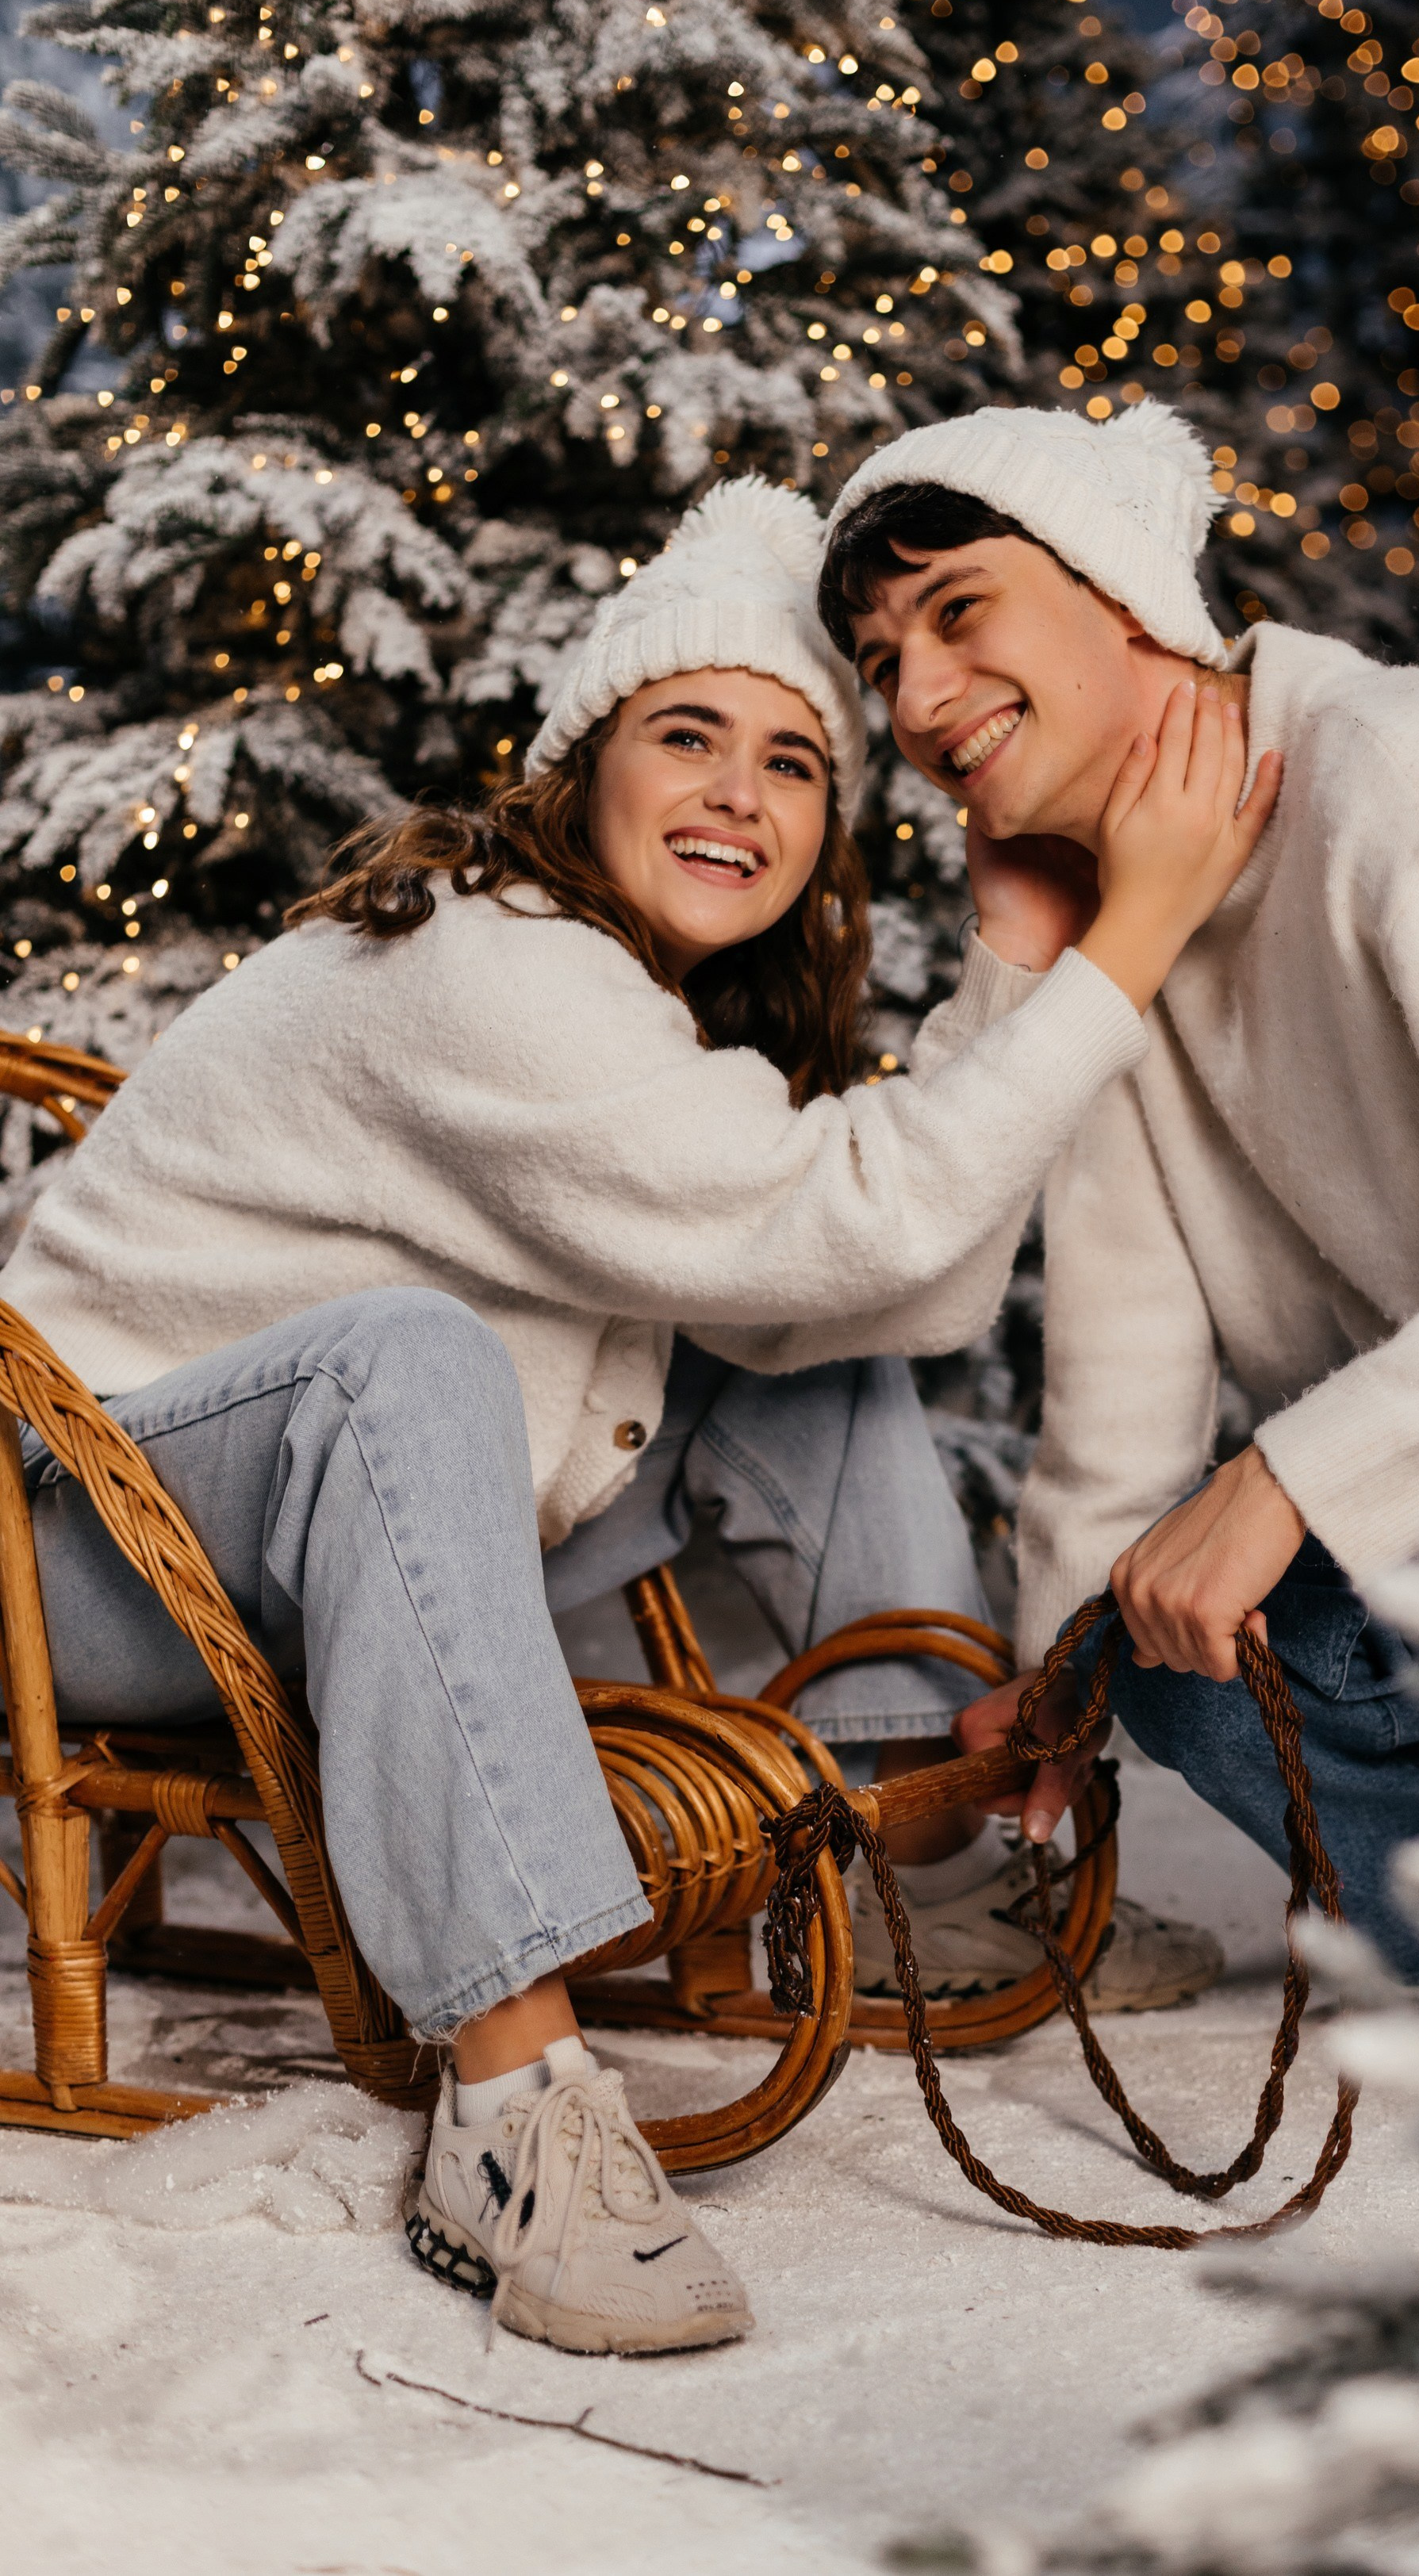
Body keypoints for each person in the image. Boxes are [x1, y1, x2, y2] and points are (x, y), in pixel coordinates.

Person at [0, 476, 1275, 2356]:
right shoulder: (485, 961)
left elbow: (891, 1282)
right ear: (586, 760)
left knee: (808, 1360)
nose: (737, 795)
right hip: (80, 1550)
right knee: (407, 1352)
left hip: (304, 1532)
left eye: (793, 761)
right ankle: (514, 2103)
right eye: (688, 735)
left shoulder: (635, 1015)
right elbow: (869, 1213)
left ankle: (925, 1873)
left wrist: (1014, 960)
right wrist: (1129, 936)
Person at [816, 403, 1419, 1987]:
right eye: (882, 661)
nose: (915, 694)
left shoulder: (1411, 777)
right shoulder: (1129, 944)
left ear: (1118, 591)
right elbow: (1113, 1367)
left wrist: (1288, 1482)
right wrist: (1063, 1693)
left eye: (958, 610)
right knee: (1152, 1638)